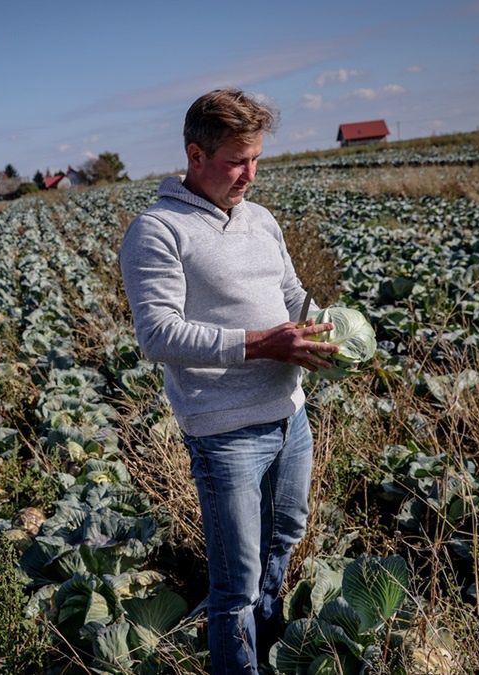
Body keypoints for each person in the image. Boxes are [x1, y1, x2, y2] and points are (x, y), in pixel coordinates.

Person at [118, 88, 339, 674]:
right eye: (237, 161)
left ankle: (266, 655)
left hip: (290, 417)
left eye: (257, 158)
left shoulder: (260, 220)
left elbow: (290, 294)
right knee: (235, 585)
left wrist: (332, 328)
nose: (250, 174)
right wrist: (262, 343)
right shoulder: (158, 230)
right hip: (226, 433)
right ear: (196, 155)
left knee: (282, 546)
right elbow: (158, 334)